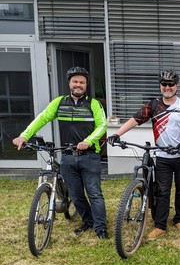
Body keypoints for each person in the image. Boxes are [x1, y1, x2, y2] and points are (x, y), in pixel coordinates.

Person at [13, 66, 109, 239]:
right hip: (67, 156)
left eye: (82, 82)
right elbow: (41, 118)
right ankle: (88, 222)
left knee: (94, 193)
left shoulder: (93, 104)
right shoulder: (59, 102)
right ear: (69, 83)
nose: (78, 85)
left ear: (86, 85)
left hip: (89, 157)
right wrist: (24, 135)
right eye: (75, 81)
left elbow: (102, 125)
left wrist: (88, 141)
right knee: (76, 195)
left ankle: (101, 227)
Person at [107, 70, 180, 240]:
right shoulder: (154, 105)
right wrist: (117, 134)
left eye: (171, 84)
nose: (167, 87)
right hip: (163, 156)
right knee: (162, 191)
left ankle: (179, 219)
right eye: (164, 84)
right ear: (160, 86)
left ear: (176, 86)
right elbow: (135, 119)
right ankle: (160, 225)